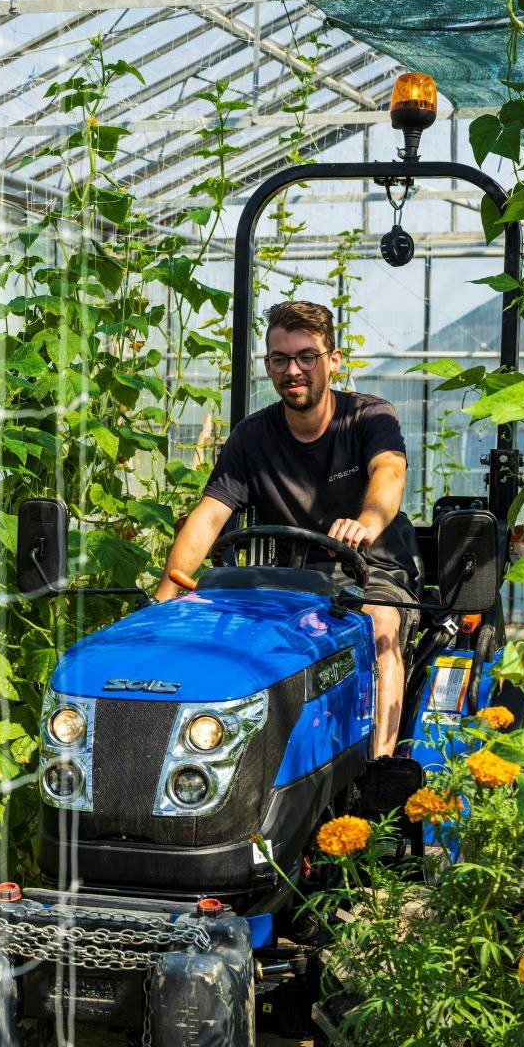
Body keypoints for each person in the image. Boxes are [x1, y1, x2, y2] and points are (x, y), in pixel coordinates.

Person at [153, 300, 421, 759]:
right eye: (281, 359)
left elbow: (390, 473)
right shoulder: (251, 437)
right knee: (216, 640)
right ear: (268, 365)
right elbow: (210, 515)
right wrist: (162, 599)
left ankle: (378, 774)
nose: (293, 370)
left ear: (333, 361)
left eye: (306, 357)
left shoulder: (369, 418)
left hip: (371, 577)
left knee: (378, 625)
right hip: (287, 586)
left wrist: (367, 522)